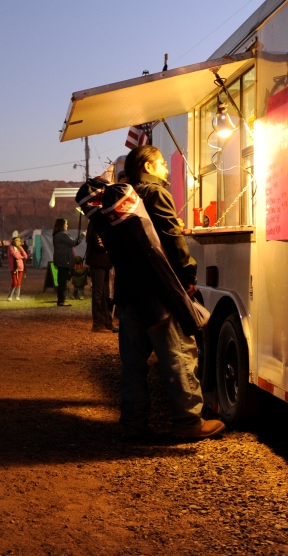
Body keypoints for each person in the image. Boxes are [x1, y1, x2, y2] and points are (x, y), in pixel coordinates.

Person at [89, 145, 223, 441]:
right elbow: (172, 236)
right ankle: (188, 422)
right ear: (147, 167)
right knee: (179, 356)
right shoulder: (155, 193)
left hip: (128, 293)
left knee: (133, 364)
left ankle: (133, 424)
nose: (165, 170)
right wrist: (188, 274)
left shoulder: (121, 201)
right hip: (160, 292)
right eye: (162, 164)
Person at [85, 221, 113, 332]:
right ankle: (98, 323)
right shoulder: (96, 224)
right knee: (98, 293)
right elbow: (99, 244)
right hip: (98, 262)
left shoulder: (101, 224)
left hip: (105, 263)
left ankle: (107, 322)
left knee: (105, 294)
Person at [52, 217, 83, 306]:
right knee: (63, 281)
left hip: (61, 261)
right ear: (61, 225)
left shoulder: (58, 235)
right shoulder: (62, 235)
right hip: (64, 261)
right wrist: (82, 235)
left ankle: (61, 299)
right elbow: (74, 242)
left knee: (63, 281)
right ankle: (61, 300)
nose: (67, 225)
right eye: (65, 224)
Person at [6, 236, 27, 301]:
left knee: (19, 282)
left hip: (20, 267)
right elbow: (15, 255)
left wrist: (22, 249)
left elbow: (26, 256)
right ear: (13, 241)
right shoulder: (10, 247)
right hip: (13, 267)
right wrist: (21, 257)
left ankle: (17, 295)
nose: (18, 242)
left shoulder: (20, 248)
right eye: (16, 240)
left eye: (19, 241)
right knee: (15, 282)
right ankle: (10, 295)